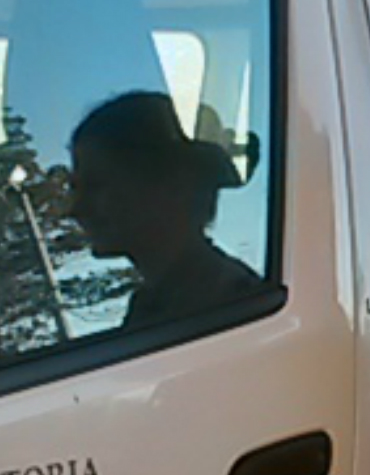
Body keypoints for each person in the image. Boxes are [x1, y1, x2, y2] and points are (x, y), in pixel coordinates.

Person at [66, 90, 264, 329]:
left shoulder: (228, 309)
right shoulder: (158, 305)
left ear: (171, 186)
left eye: (96, 185)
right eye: (76, 189)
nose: (76, 209)